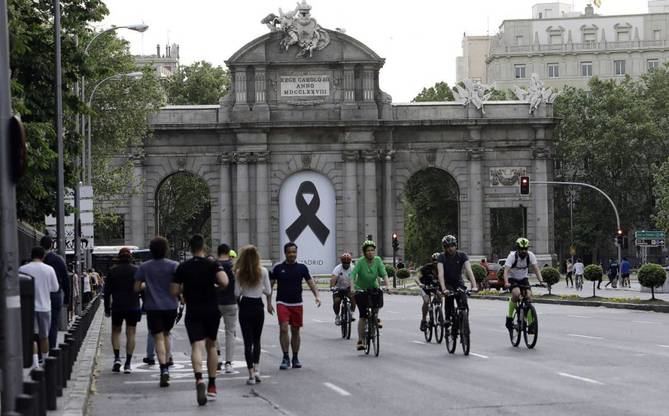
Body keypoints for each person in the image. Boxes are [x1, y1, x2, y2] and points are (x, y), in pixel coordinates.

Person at [172, 234, 229, 405]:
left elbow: (174, 290)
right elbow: (225, 282)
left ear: (190, 248)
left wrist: (184, 292)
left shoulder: (183, 267)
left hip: (194, 310)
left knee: (196, 345)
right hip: (211, 308)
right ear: (203, 247)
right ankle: (212, 384)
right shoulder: (213, 264)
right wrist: (213, 286)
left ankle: (199, 379)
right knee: (211, 344)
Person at [134, 236, 179, 388]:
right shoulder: (174, 265)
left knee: (158, 338)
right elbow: (179, 287)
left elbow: (136, 287)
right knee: (167, 334)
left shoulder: (144, 267)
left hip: (153, 307)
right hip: (171, 307)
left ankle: (163, 369)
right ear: (166, 250)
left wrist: (147, 287)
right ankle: (168, 359)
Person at [271, 242, 321, 370]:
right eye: (289, 252)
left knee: (295, 330)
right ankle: (285, 357)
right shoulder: (278, 268)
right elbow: (270, 286)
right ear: (285, 253)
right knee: (283, 328)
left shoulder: (302, 268)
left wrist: (317, 296)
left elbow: (311, 283)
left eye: (294, 252)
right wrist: (268, 302)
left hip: (297, 303)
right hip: (282, 302)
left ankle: (295, 357)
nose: (292, 254)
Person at [234, 245, 273, 385]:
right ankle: (257, 370)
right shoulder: (262, 271)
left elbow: (236, 293)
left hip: (245, 306)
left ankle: (250, 373)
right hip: (258, 306)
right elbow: (268, 290)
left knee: (247, 342)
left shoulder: (239, 272)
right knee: (257, 340)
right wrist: (259, 287)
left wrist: (246, 288)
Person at [19, 247, 59, 367]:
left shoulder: (22, 269)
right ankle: (46, 361)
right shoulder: (49, 269)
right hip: (45, 306)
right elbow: (55, 288)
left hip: (28, 307)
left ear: (31, 255)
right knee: (44, 336)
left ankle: (35, 361)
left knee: (31, 336)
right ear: (43, 256)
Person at [104, 248, 141, 374]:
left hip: (118, 306)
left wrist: (106, 308)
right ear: (130, 258)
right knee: (131, 333)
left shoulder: (112, 271)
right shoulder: (136, 270)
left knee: (116, 331)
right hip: (133, 305)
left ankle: (117, 358)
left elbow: (107, 292)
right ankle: (128, 363)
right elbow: (141, 289)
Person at [350, 239, 391, 351]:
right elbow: (353, 275)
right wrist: (353, 288)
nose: (370, 252)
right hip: (361, 289)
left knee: (377, 303)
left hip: (373, 287)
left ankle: (375, 317)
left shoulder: (378, 260)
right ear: (364, 252)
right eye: (368, 250)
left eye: (372, 250)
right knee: (363, 315)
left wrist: (388, 286)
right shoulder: (360, 261)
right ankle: (360, 340)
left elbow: (384, 273)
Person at [503, 238, 545, 333]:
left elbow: (536, 269)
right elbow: (506, 271)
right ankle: (509, 318)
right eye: (521, 249)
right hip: (512, 278)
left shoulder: (531, 256)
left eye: (525, 249)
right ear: (517, 249)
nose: (524, 251)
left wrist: (541, 281)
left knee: (529, 297)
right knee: (517, 294)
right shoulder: (512, 256)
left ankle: (531, 324)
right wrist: (506, 282)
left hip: (523, 279)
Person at [436, 236, 478, 328]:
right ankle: (447, 318)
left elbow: (469, 270)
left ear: (456, 246)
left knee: (463, 301)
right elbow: (440, 274)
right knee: (449, 298)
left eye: (452, 246)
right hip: (447, 283)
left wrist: (474, 285)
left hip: (458, 282)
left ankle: (464, 321)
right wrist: (443, 289)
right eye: (447, 246)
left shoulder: (462, 255)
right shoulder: (441, 257)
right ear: (444, 248)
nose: (450, 248)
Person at [40, 235, 68, 350]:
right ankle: (51, 349)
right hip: (55, 294)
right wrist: (67, 298)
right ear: (52, 245)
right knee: (53, 322)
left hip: (40, 293)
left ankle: (40, 351)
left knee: (39, 323)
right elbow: (66, 279)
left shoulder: (37, 258)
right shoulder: (58, 259)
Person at [216, 243, 238, 373]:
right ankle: (229, 362)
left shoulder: (213, 265)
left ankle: (217, 358)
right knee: (230, 332)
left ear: (218, 252)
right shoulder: (234, 267)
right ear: (229, 252)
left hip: (215, 302)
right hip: (231, 302)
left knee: (212, 332)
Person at [416, 253, 440, 332]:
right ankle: (423, 320)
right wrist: (420, 284)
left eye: (438, 261)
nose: (436, 263)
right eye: (434, 261)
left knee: (440, 297)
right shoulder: (426, 268)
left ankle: (439, 313)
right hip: (425, 287)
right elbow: (417, 277)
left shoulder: (443, 268)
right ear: (432, 261)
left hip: (435, 287)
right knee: (426, 301)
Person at [330, 252, 355, 325]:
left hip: (348, 287)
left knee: (353, 298)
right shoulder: (338, 268)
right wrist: (332, 287)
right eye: (344, 262)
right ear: (342, 262)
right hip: (338, 288)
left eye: (348, 263)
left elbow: (356, 278)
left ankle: (351, 313)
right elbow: (333, 279)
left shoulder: (353, 268)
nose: (346, 264)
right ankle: (337, 316)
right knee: (337, 301)